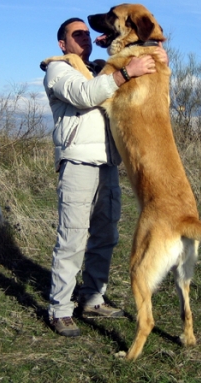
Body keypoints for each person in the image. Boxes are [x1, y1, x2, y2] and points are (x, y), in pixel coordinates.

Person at [41, 17, 167, 337]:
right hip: (78, 164)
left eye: (86, 33)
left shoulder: (99, 67)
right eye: (76, 35)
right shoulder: (59, 70)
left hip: (108, 166)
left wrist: (154, 54)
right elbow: (86, 95)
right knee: (72, 238)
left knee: (106, 236)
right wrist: (127, 72)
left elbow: (135, 78)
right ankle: (59, 308)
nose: (84, 38)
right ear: (62, 43)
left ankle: (93, 298)